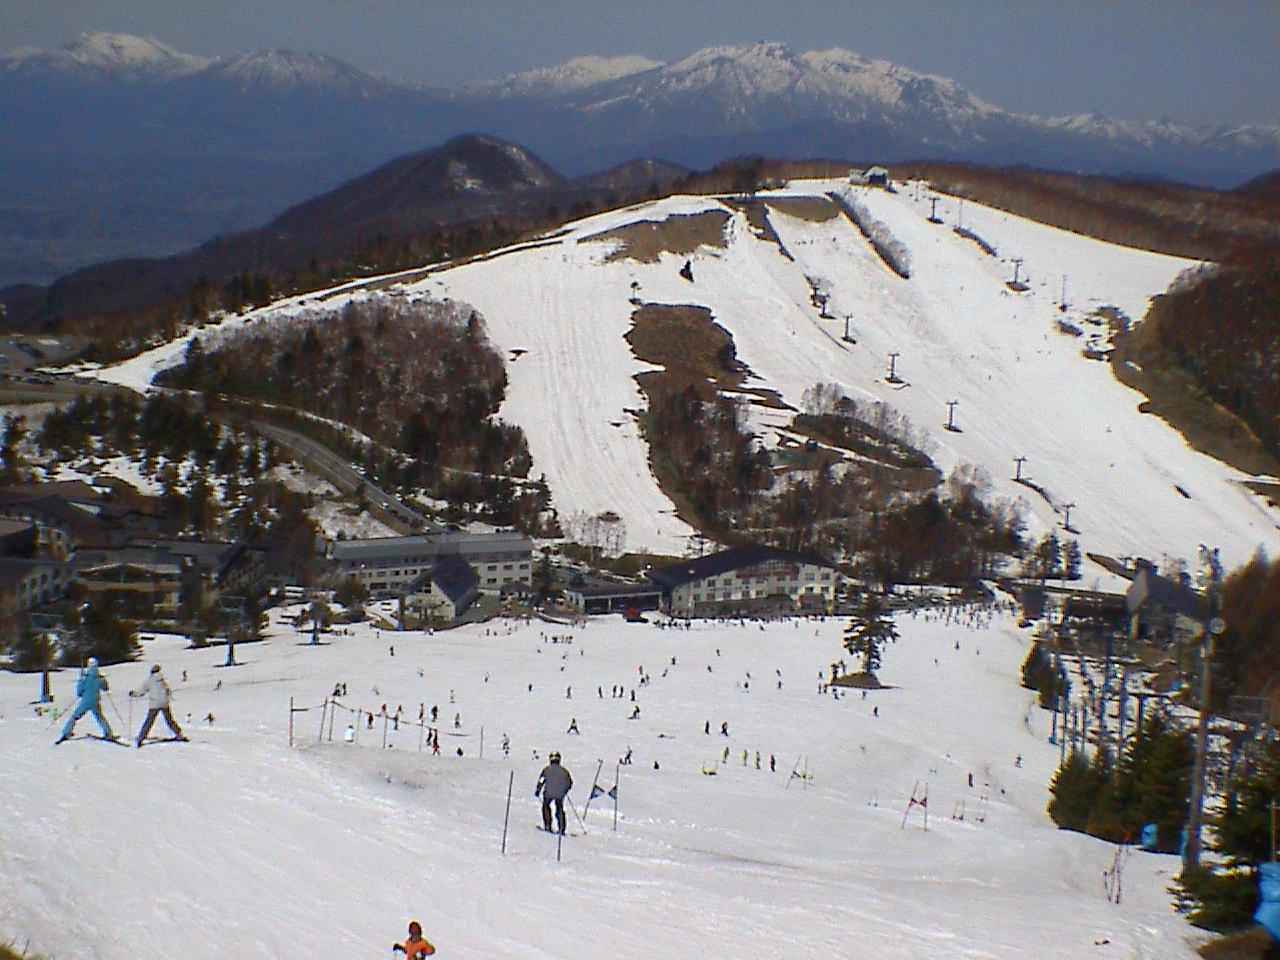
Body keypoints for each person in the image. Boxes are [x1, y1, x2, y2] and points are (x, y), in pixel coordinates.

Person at [56, 658, 117, 744]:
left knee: (75, 717)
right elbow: (105, 688)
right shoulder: (98, 677)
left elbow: (79, 692)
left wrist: (81, 691)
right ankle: (108, 733)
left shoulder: (84, 677)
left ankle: (66, 732)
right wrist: (103, 681)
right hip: (95, 701)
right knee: (100, 718)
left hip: (85, 702)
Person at [130, 664, 187, 747]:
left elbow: (141, 692)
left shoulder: (150, 680)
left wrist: (133, 694)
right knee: (169, 720)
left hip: (154, 704)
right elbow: (168, 690)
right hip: (164, 703)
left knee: (149, 721)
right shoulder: (162, 680)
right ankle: (179, 734)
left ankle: (140, 738)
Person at [535, 750, 573, 835]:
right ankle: (561, 828)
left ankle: (548, 825)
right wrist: (565, 790)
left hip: (548, 793)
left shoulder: (546, 770)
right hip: (560, 794)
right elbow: (569, 782)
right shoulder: (564, 771)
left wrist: (538, 790)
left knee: (546, 807)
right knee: (559, 808)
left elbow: (541, 780)